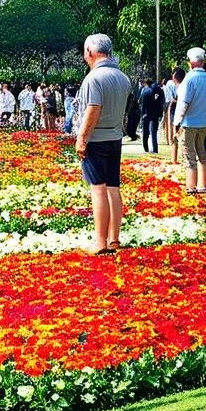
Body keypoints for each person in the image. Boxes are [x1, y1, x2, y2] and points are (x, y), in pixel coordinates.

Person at [75, 34, 132, 255]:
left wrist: (82, 138)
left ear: (90, 52)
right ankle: (114, 239)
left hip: (96, 138)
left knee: (97, 189)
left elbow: (93, 108)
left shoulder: (94, 78)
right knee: (113, 187)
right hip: (114, 137)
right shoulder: (122, 77)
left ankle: (100, 241)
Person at [173, 48, 206, 195]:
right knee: (203, 154)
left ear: (190, 63)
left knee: (189, 157)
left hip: (189, 123)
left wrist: (176, 122)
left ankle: (191, 188)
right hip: (205, 122)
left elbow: (183, 103)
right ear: (203, 62)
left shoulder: (189, 79)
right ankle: (202, 186)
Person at [138, 78, 165, 154]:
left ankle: (146, 148)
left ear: (147, 84)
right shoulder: (159, 90)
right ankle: (155, 149)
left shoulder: (145, 91)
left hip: (146, 113)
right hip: (155, 113)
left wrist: (142, 113)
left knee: (145, 132)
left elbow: (142, 103)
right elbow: (162, 101)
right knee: (154, 132)